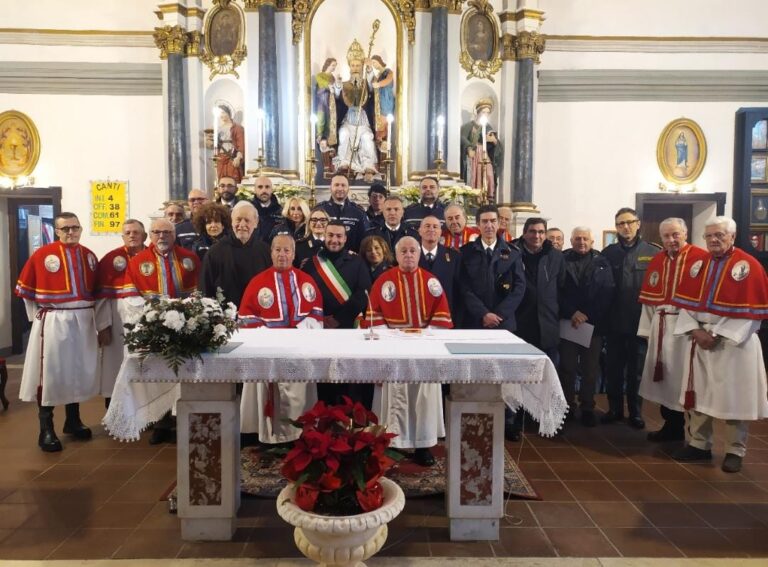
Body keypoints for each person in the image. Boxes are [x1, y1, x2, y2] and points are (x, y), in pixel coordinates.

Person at [671, 216, 768, 473]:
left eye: (720, 235)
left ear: (732, 237)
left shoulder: (750, 266)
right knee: (701, 394)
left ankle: (735, 450)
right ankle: (699, 444)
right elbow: (684, 305)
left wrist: (718, 335)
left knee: (734, 398)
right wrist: (696, 331)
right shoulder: (696, 265)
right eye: (709, 235)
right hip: (701, 341)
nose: (714, 240)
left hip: (734, 345)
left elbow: (752, 314)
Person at [361, 236, 452, 466]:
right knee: (393, 399)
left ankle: (423, 445)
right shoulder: (384, 281)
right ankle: (391, 444)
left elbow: (441, 318)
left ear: (419, 254)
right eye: (404, 251)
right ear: (396, 254)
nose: (409, 255)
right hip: (393, 351)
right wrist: (394, 340)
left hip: (424, 351)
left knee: (423, 400)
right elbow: (373, 318)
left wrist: (423, 338)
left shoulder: (431, 282)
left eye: (413, 250)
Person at [15, 212, 99, 452]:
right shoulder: (42, 256)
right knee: (51, 372)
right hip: (54, 320)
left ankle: (73, 420)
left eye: (75, 227)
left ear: (81, 229)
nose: (71, 232)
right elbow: (27, 295)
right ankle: (46, 429)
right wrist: (38, 321)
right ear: (57, 231)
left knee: (77, 370)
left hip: (83, 319)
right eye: (65, 229)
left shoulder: (89, 256)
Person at [238, 235, 324, 444]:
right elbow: (247, 318)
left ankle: (298, 434)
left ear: (294, 254)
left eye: (287, 250)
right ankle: (268, 435)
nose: (282, 254)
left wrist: (296, 331)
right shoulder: (258, 282)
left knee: (299, 394)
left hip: (297, 350)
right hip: (267, 351)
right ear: (271, 252)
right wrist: (271, 337)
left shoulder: (306, 281)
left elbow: (316, 314)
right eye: (278, 250)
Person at [124, 219, 201, 445]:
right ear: (150, 234)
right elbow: (131, 297)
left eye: (167, 232)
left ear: (174, 234)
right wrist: (154, 315)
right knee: (159, 375)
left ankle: (184, 419)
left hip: (185, 326)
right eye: (157, 232)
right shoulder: (138, 262)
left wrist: (188, 315)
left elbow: (198, 292)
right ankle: (161, 421)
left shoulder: (190, 259)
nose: (162, 236)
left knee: (184, 374)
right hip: (154, 325)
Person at [637, 218, 709, 442]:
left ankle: (695, 437)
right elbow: (650, 301)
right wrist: (648, 332)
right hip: (661, 328)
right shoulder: (657, 260)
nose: (671, 240)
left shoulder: (701, 259)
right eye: (666, 236)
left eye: (675, 234)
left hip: (688, 331)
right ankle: (671, 426)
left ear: (685, 233)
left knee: (685, 380)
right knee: (665, 379)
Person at [601, 207, 660, 428]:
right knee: (613, 370)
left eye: (629, 222)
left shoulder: (653, 253)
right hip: (614, 322)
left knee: (636, 372)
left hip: (639, 322)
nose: (625, 227)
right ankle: (614, 409)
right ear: (616, 227)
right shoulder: (608, 253)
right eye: (620, 224)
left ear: (638, 224)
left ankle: (635, 412)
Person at [302, 220, 372, 406]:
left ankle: (349, 423)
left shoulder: (357, 262)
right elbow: (305, 294)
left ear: (345, 238)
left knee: (348, 378)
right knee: (323, 377)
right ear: (324, 236)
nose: (334, 240)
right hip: (320, 329)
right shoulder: (311, 263)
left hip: (348, 328)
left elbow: (363, 293)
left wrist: (339, 319)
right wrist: (320, 319)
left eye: (339, 236)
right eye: (331, 235)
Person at [559, 227, 615, 426]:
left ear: (592, 241)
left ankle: (588, 407)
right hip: (568, 323)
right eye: (577, 239)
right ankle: (567, 406)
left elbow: (607, 292)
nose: (581, 242)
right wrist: (572, 312)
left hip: (594, 325)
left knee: (590, 369)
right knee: (567, 368)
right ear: (571, 241)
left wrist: (586, 315)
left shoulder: (602, 262)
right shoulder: (561, 259)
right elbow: (557, 291)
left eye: (585, 239)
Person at [95, 219, 147, 409]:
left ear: (144, 236)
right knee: (114, 364)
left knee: (145, 364)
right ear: (122, 236)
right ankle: (114, 408)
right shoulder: (111, 259)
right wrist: (103, 326)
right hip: (117, 321)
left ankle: (145, 410)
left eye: (136, 232)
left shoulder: (153, 257)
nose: (132, 235)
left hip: (146, 321)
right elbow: (101, 297)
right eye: (127, 233)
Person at [460, 204, 526, 333]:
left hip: (503, 322)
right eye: (484, 221)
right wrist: (483, 314)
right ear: (478, 225)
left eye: (493, 221)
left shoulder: (513, 253)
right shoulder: (466, 253)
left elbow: (519, 287)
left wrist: (500, 314)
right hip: (475, 321)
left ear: (498, 223)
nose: (489, 225)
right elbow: (464, 287)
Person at [200, 201, 272, 308]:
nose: (242, 225)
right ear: (232, 222)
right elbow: (205, 290)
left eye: (247, 220)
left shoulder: (266, 251)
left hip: (258, 316)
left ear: (256, 223)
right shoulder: (214, 252)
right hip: (225, 319)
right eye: (238, 219)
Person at [332, 39, 379, 180]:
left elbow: (373, 89)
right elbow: (337, 97)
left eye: (358, 65)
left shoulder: (366, 83)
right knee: (344, 133)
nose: (356, 68)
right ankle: (344, 163)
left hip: (362, 121)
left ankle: (368, 165)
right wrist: (338, 86)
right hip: (349, 119)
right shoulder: (345, 83)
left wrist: (370, 71)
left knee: (366, 137)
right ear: (349, 66)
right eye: (353, 65)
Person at [419, 215, 461, 325]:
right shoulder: (411, 256)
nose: (431, 229)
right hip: (418, 316)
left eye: (435, 227)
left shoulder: (453, 256)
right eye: (427, 226)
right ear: (419, 231)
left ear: (440, 232)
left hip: (445, 316)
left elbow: (459, 289)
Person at [460, 99, 502, 198]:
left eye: (488, 113)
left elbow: (496, 143)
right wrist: (469, 147)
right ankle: (473, 199)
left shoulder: (488, 127)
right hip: (474, 154)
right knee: (474, 176)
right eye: (484, 112)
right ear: (478, 112)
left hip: (484, 154)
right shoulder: (469, 126)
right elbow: (462, 137)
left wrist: (494, 141)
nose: (486, 115)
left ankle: (488, 197)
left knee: (489, 175)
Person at [319, 174, 369, 251]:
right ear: (330, 188)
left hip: (350, 259)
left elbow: (365, 240)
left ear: (348, 188)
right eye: (336, 185)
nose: (340, 188)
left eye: (343, 185)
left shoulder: (358, 212)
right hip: (324, 259)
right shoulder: (320, 210)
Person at [215, 104, 245, 183]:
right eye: (220, 113)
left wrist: (238, 158)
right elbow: (215, 145)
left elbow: (240, 145)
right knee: (221, 178)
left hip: (231, 156)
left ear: (228, 113)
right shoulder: (218, 129)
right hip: (220, 158)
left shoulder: (237, 128)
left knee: (233, 177)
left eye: (223, 112)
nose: (222, 115)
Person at [368, 55, 394, 143]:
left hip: (386, 100)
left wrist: (379, 84)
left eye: (374, 63)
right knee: (379, 124)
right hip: (379, 102)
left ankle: (384, 143)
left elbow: (389, 80)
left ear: (379, 62)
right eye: (373, 63)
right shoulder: (379, 75)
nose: (374, 65)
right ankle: (379, 141)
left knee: (384, 122)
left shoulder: (388, 71)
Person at [251, 176, 284, 242]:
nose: (264, 190)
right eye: (260, 187)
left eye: (267, 187)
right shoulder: (248, 209)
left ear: (271, 189)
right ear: (255, 190)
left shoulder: (281, 211)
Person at [315, 57, 339, 146]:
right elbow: (321, 82)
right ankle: (319, 136)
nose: (334, 67)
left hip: (330, 101)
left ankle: (327, 138)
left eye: (335, 66)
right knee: (321, 118)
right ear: (328, 64)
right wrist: (329, 86)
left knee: (329, 120)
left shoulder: (332, 77)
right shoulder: (320, 75)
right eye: (333, 65)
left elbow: (335, 88)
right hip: (322, 100)